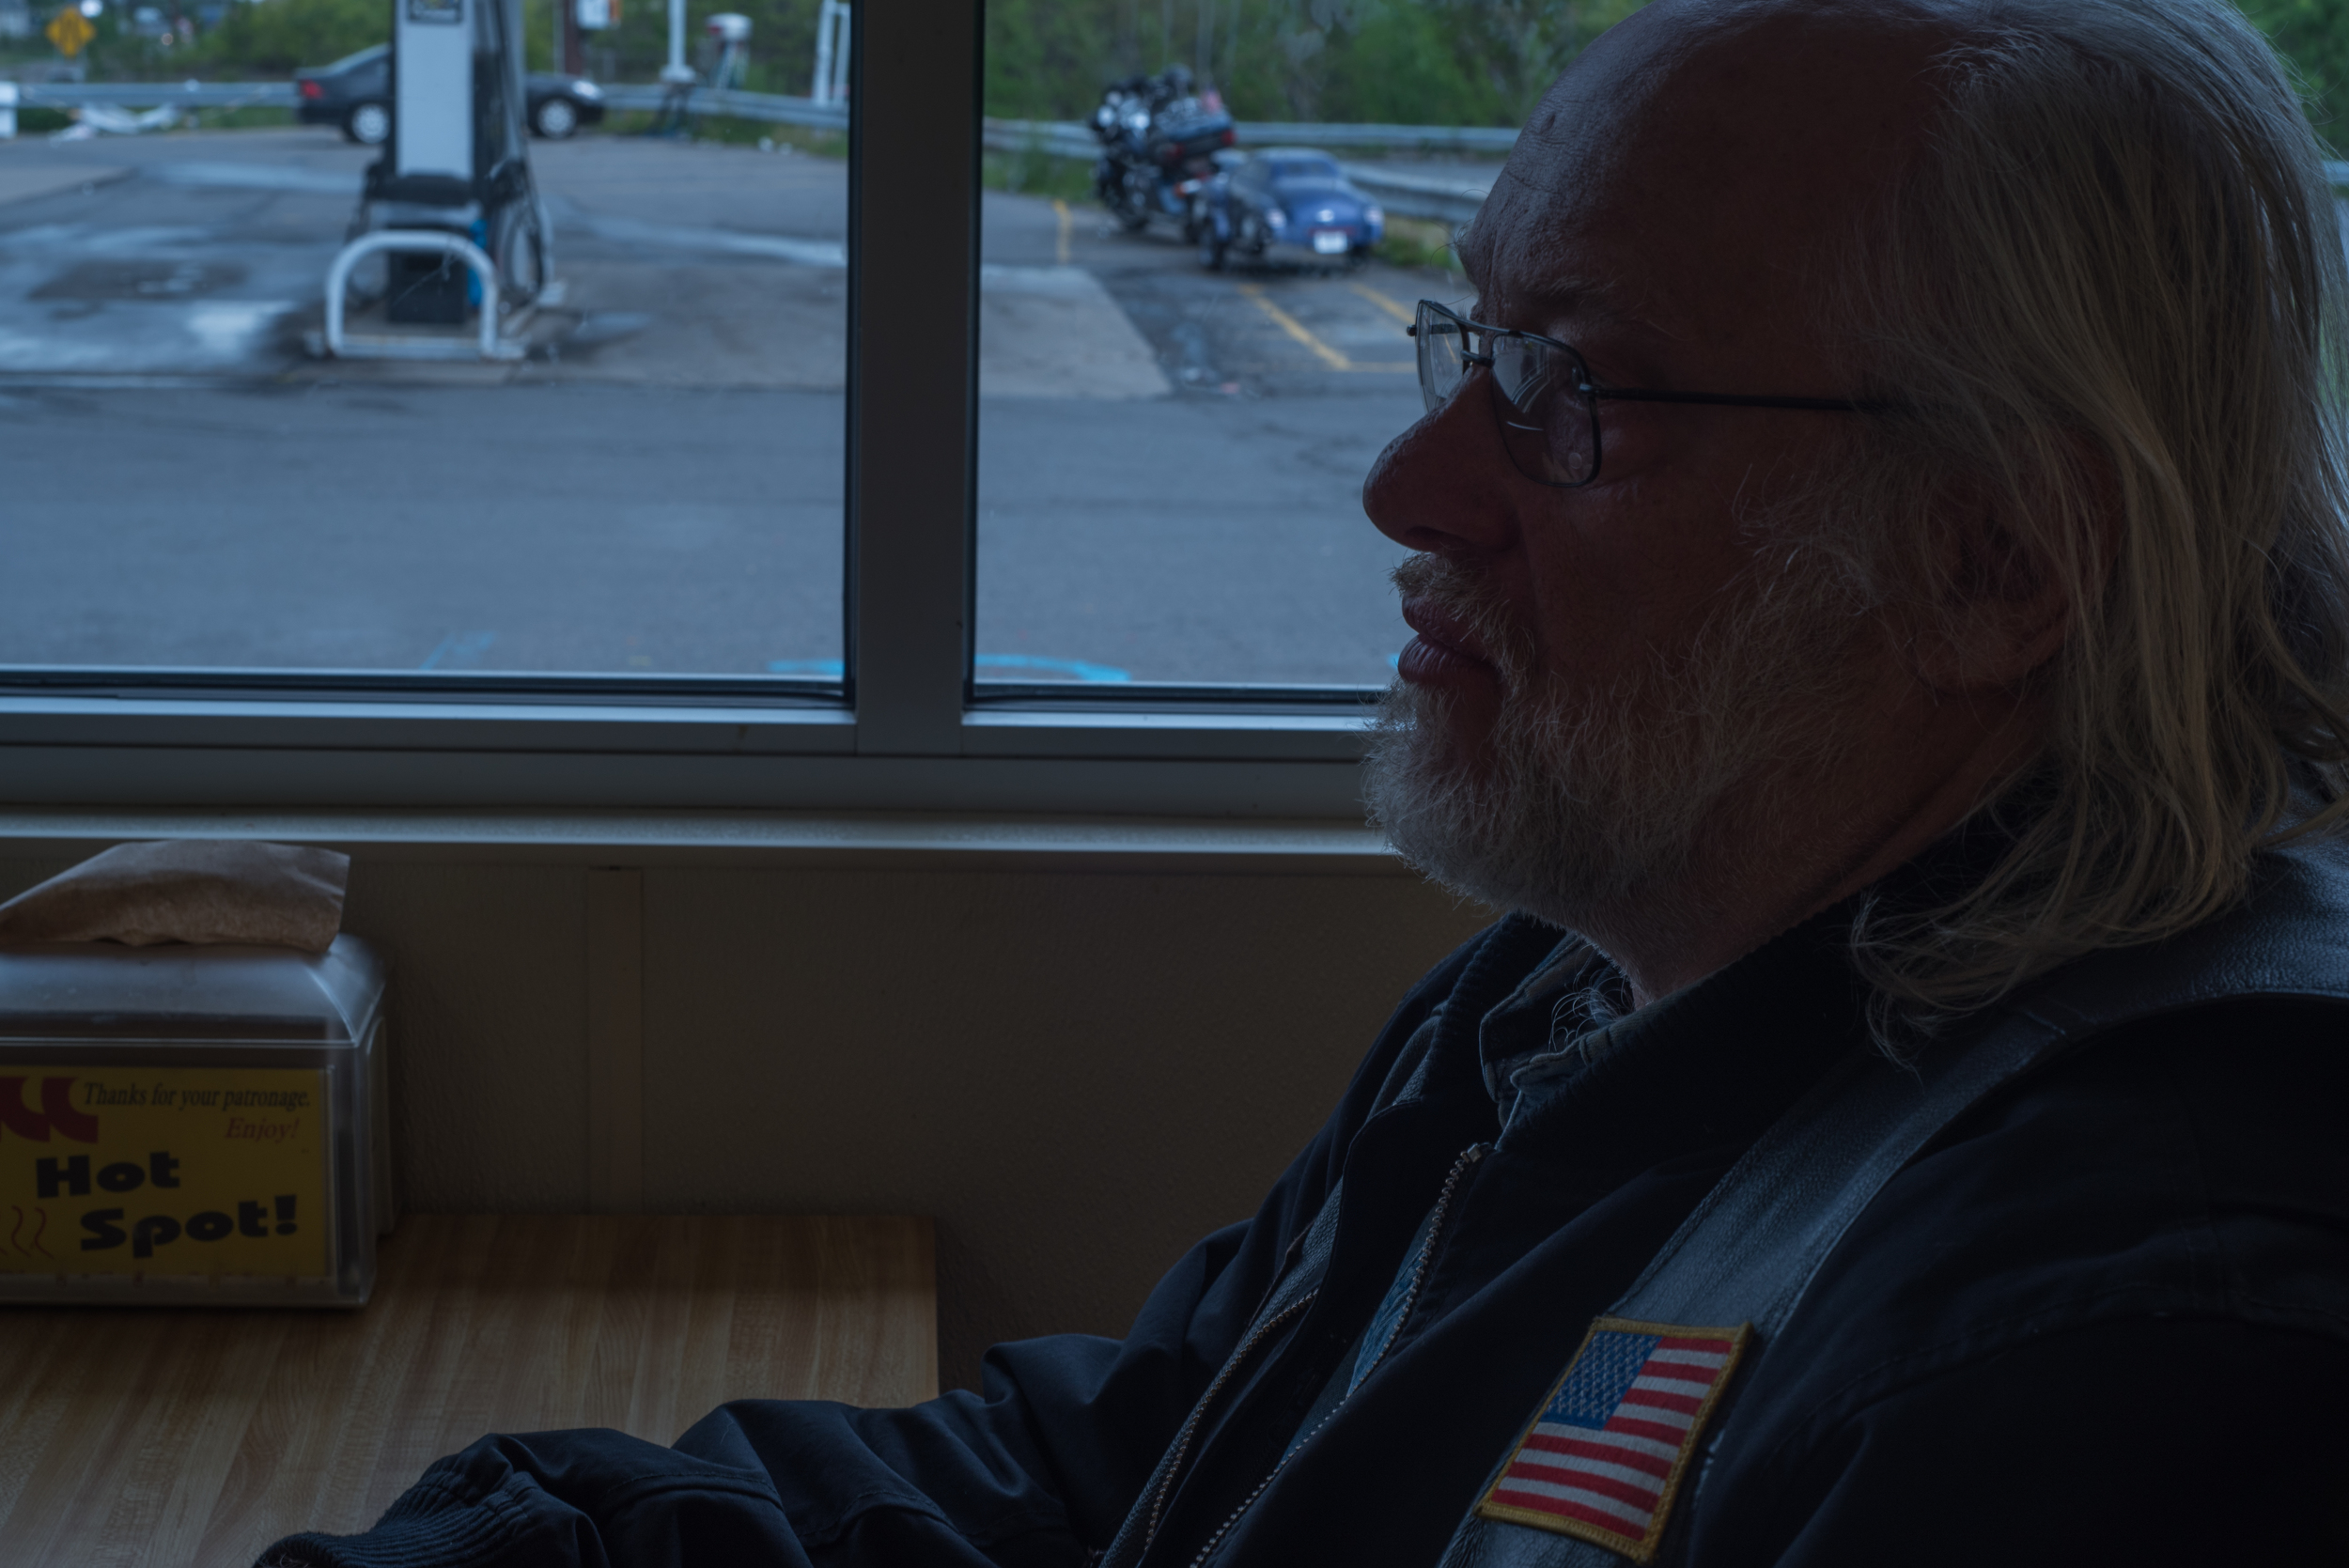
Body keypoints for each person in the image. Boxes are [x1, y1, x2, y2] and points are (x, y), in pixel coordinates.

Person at [261, 0, 2349, 1563]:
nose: (1405, 481)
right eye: (1476, 348)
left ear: (1996, 560)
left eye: (1576, 393)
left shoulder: (2117, 1343)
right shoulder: (1599, 982)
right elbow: (1156, 1474)